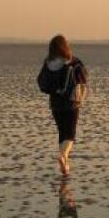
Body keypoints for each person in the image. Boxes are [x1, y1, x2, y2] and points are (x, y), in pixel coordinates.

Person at [37, 35, 88, 176]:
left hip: (55, 104)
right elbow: (84, 77)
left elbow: (41, 81)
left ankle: (65, 165)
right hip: (71, 102)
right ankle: (64, 156)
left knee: (62, 132)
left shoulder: (47, 63)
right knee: (70, 134)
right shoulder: (72, 61)